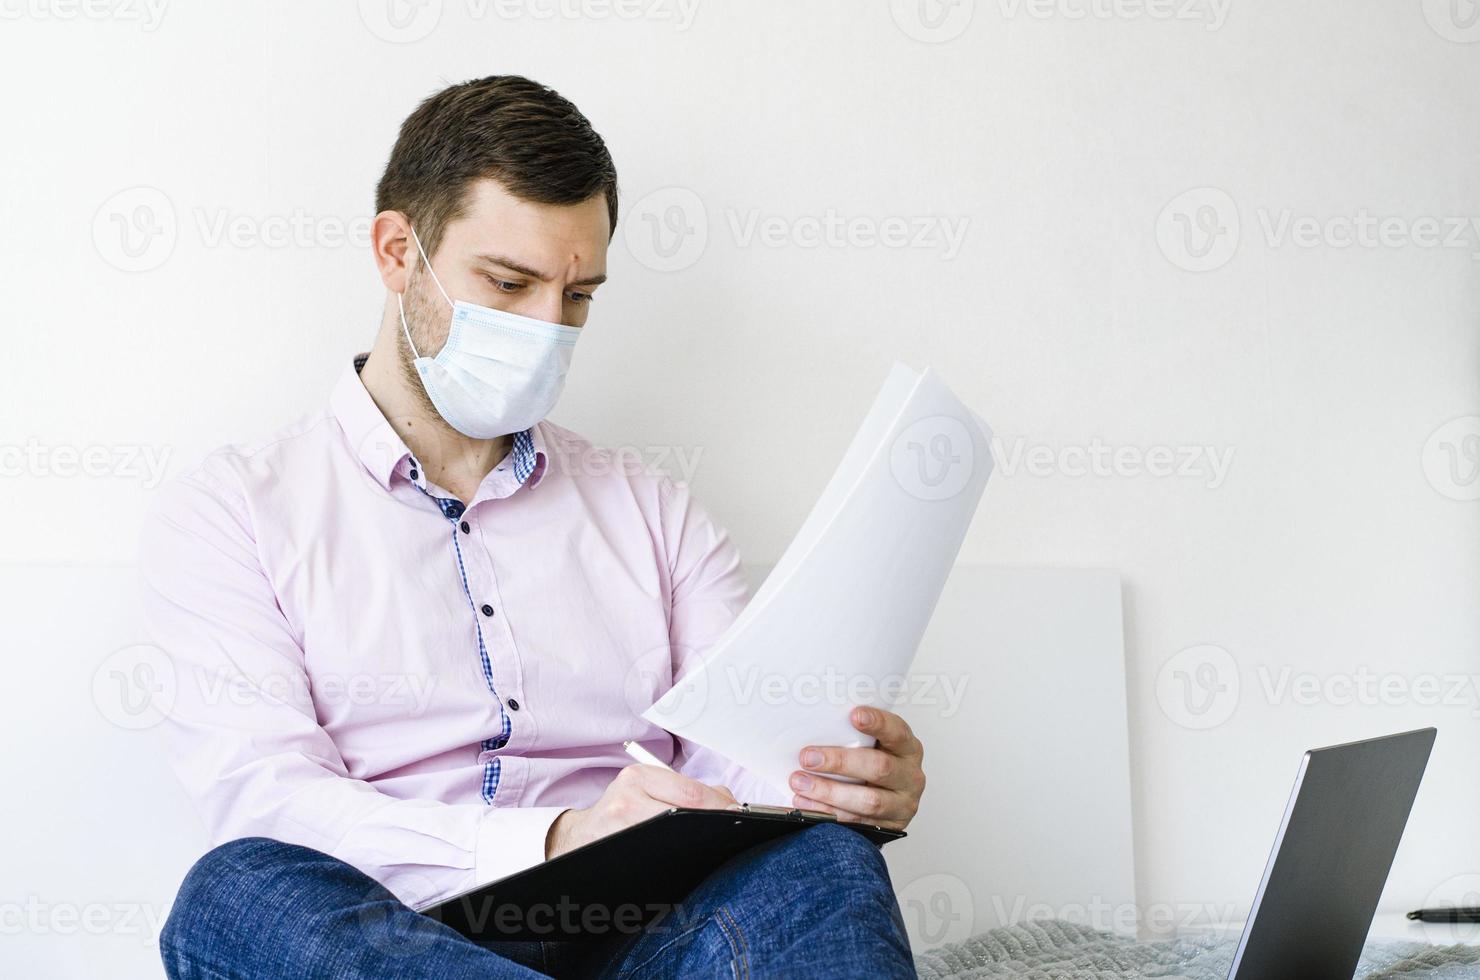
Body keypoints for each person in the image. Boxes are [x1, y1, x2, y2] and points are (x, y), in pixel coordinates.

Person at [142, 74, 924, 978]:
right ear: (399, 252)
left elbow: (739, 766)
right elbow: (270, 800)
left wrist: (833, 784)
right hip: (393, 937)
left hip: (643, 938)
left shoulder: (655, 513)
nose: (549, 327)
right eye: (509, 284)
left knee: (825, 860)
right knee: (238, 892)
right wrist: (556, 838)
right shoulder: (235, 509)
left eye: (579, 295)